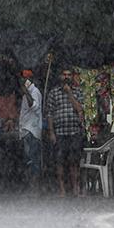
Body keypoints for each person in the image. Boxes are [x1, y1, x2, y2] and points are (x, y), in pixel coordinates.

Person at [46, 69, 84, 197]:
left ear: (72, 77)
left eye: (69, 75)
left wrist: (69, 94)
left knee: (74, 161)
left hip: (74, 131)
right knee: (60, 161)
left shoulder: (78, 91)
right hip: (60, 132)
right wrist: (51, 132)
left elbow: (79, 109)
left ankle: (75, 188)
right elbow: (50, 114)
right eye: (64, 74)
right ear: (60, 76)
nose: (66, 77)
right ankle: (62, 189)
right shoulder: (54, 93)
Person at [17, 69, 43, 193]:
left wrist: (26, 92)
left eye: (23, 80)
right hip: (26, 131)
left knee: (33, 160)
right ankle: (31, 188)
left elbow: (34, 107)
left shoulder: (34, 92)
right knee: (29, 160)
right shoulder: (27, 93)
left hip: (31, 131)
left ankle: (34, 188)